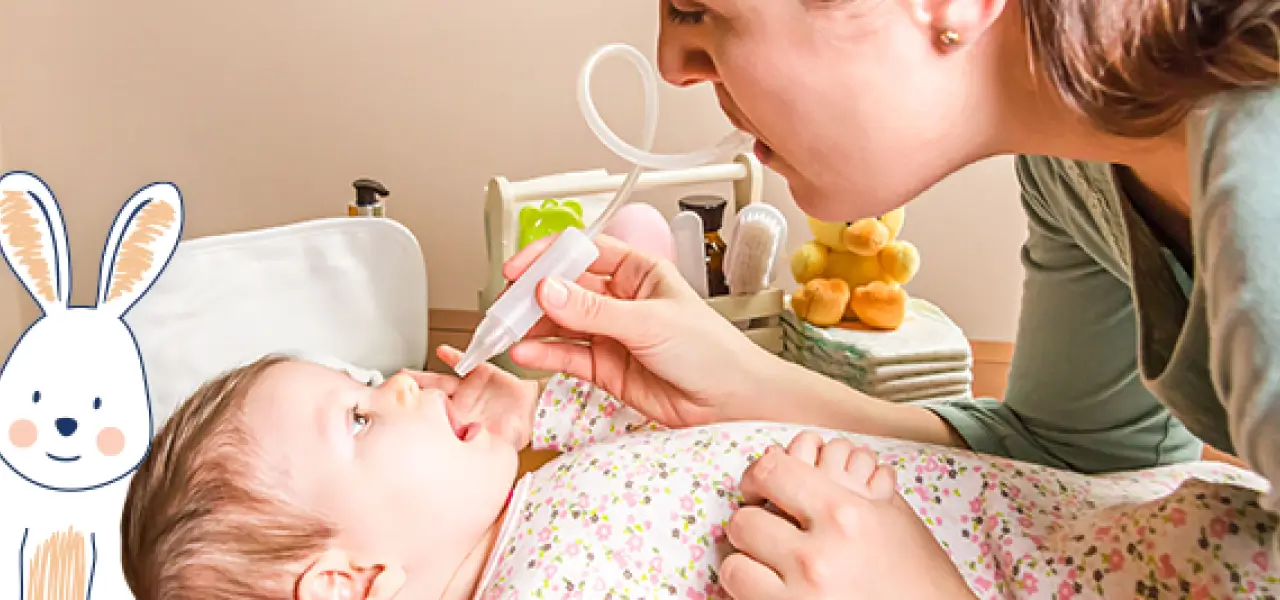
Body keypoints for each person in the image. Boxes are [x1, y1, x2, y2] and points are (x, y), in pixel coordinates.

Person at [497, 0, 1280, 597]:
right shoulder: (1077, 168)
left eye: (698, 7)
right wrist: (741, 387)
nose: (673, 62)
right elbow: (1076, 458)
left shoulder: (1263, 186)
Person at [119, 349, 1271, 599]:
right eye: (363, 417)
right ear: (347, 583)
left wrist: (544, 401)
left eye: (373, 376)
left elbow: (643, 442)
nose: (406, 388)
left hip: (1121, 518)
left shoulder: (527, 491)